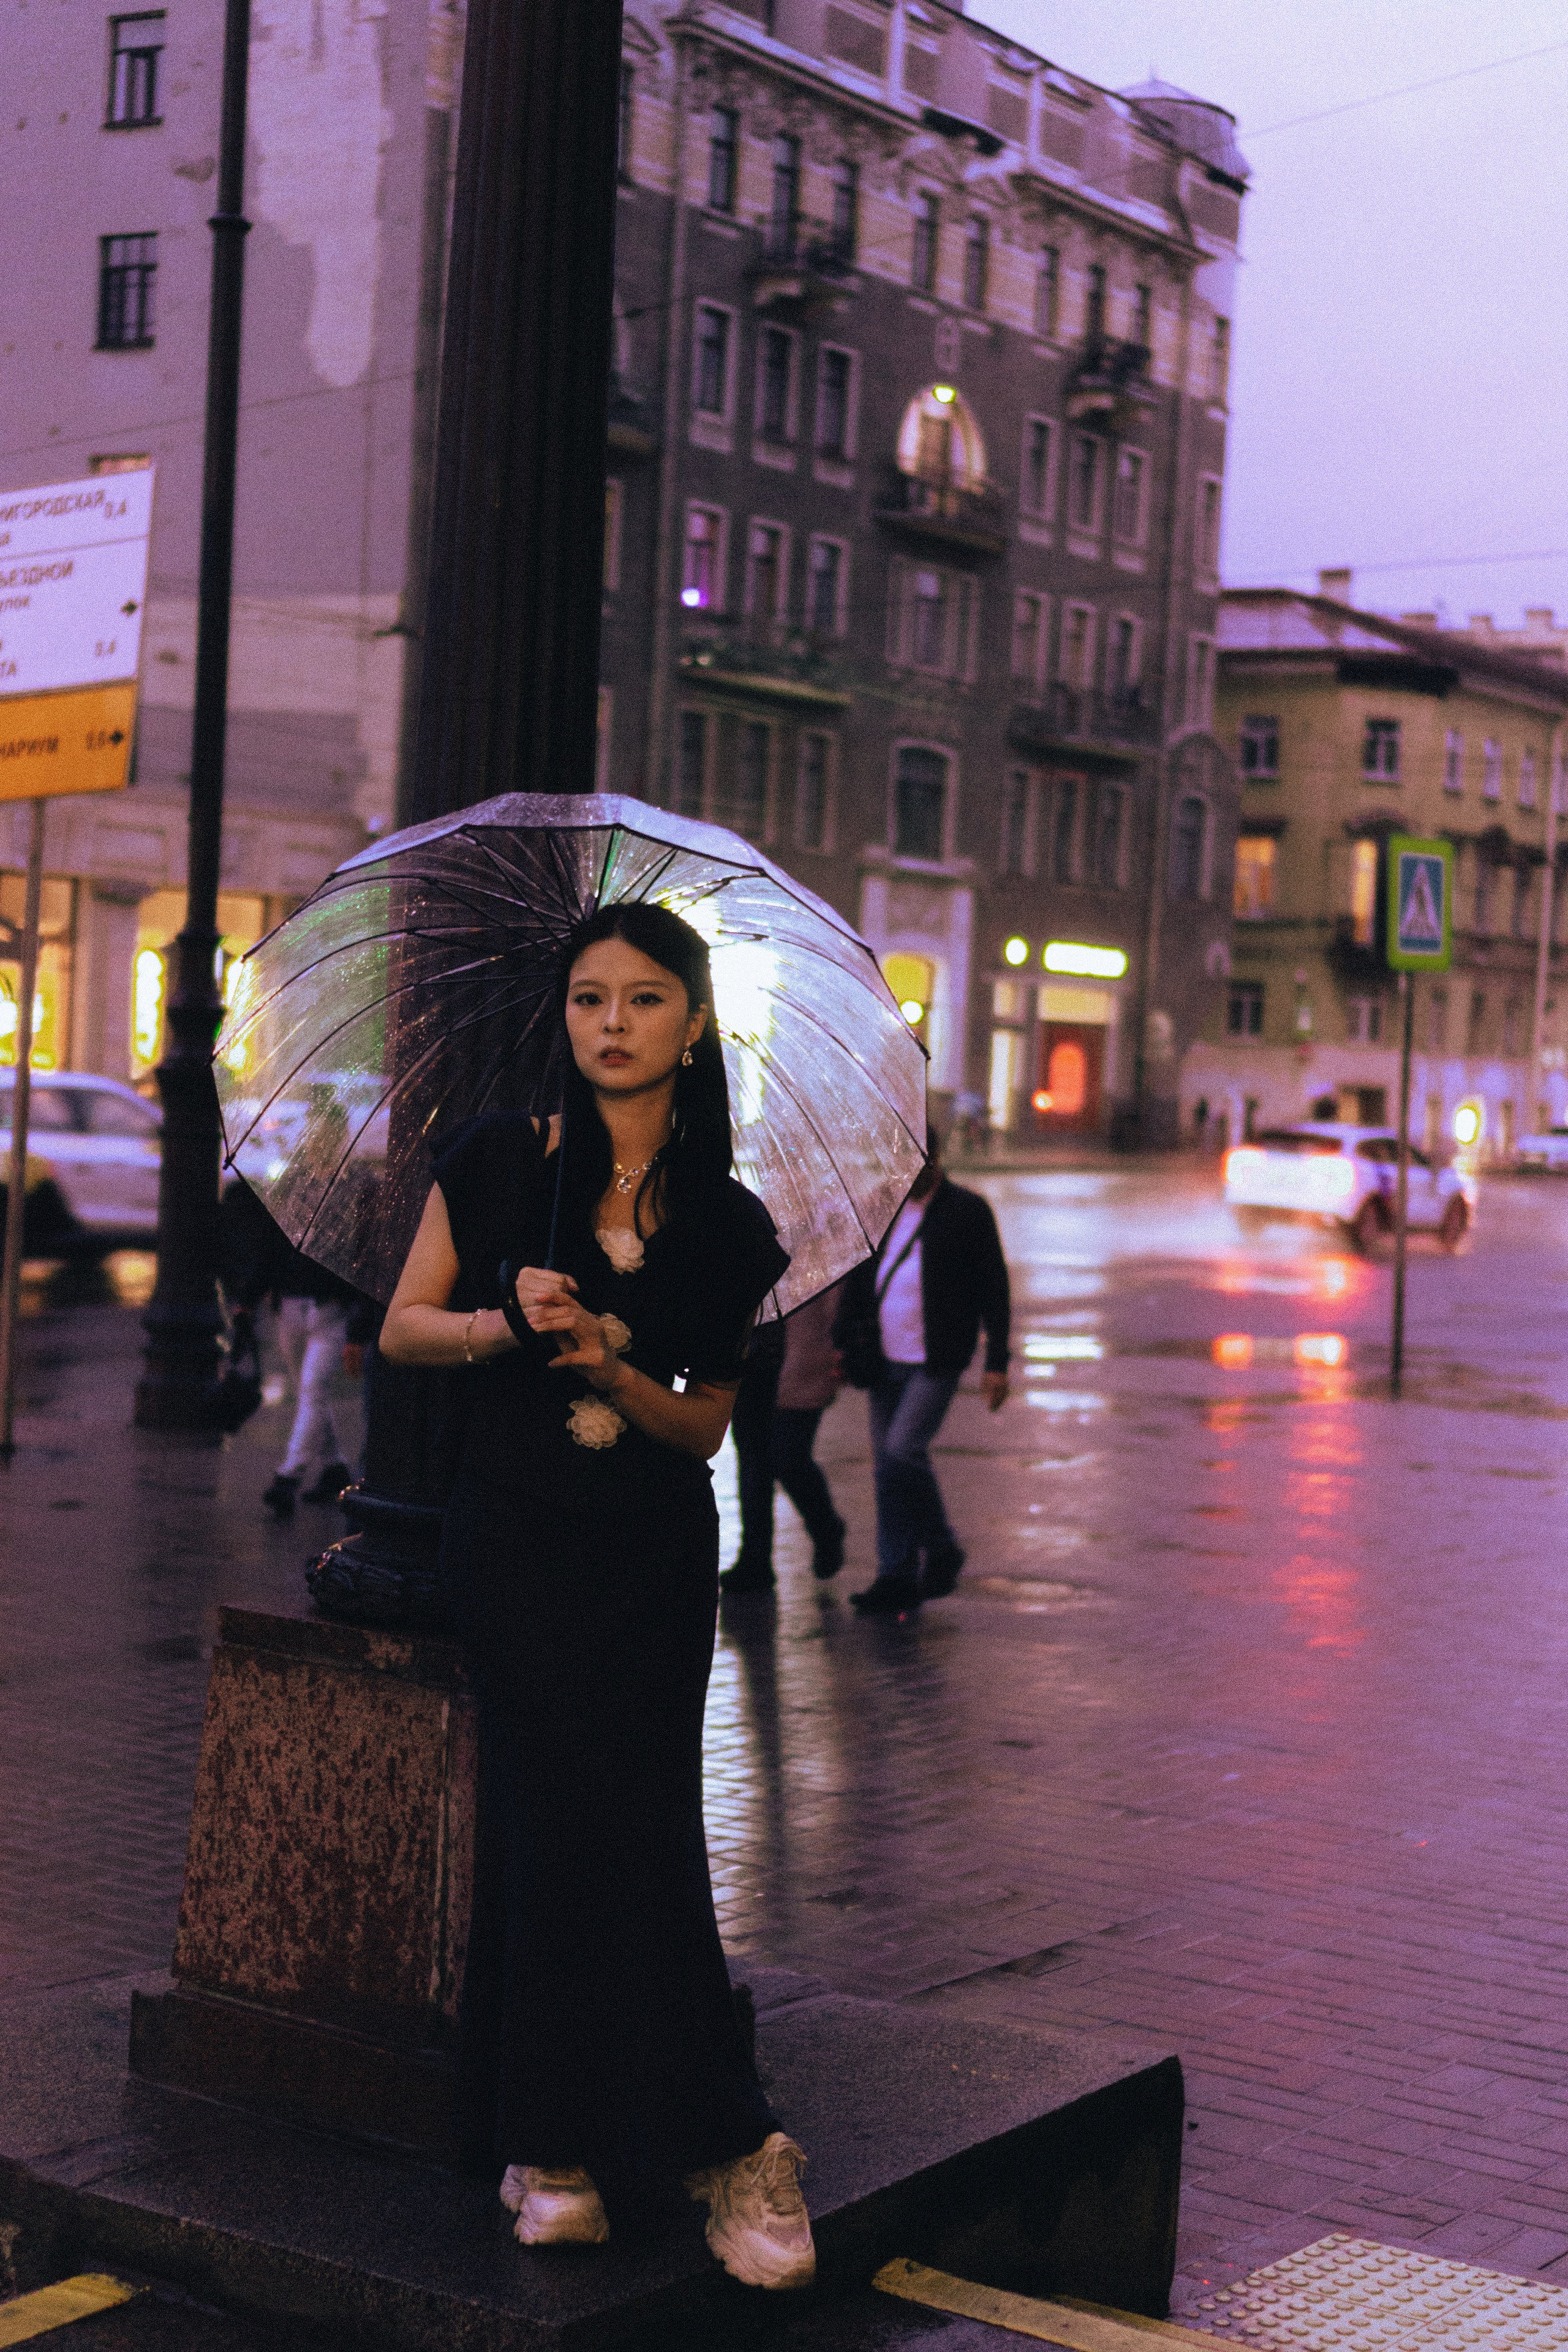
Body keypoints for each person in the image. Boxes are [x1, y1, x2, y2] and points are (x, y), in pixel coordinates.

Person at [379, 902, 816, 2291]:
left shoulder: (731, 1226)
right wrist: (514, 1323)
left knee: (627, 1818)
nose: (609, 1023)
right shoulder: (500, 1161)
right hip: (512, 1538)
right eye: (586, 998)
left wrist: (611, 1365)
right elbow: (402, 1327)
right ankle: (679, 2136)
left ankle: (573, 2137)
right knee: (558, 1806)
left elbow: (701, 1430)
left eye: (640, 998)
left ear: (692, 1024)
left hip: (647, 1552)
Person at [834, 1128, 1009, 1617]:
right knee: (887, 1470)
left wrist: (997, 1362)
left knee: (900, 1454)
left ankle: (944, 1547)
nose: (909, 1169)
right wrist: (842, 1343)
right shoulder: (881, 1209)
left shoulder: (967, 1211)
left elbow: (994, 1288)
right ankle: (896, 1575)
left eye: (918, 1157)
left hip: (937, 1358)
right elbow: (858, 1280)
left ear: (935, 1156)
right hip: (882, 1358)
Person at [217, 1175, 356, 1518]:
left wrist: (357, 1331)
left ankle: (287, 1477)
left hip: (328, 1312)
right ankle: (335, 1468)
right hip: (289, 1311)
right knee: (310, 1393)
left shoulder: (342, 1214)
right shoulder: (289, 1208)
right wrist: (248, 1300)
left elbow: (354, 1266)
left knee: (312, 1390)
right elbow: (269, 1253)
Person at [720, 1283, 846, 1595]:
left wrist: (836, 1346)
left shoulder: (812, 1239)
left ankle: (826, 1526)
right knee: (752, 1460)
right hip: (752, 1357)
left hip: (802, 1358)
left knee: (788, 1456)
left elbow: (835, 1299)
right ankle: (756, 1559)